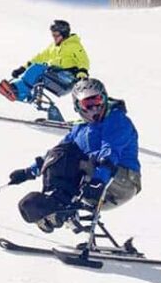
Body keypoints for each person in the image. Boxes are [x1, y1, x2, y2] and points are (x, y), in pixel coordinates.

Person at [8, 78, 141, 232]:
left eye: (97, 101)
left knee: (74, 156)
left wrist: (99, 180)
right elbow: (56, 155)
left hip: (120, 181)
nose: (94, 109)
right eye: (87, 104)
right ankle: (54, 205)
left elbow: (110, 152)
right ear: (78, 106)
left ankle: (59, 207)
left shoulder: (116, 120)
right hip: (94, 180)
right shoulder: (80, 128)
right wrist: (29, 172)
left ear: (104, 98)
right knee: (62, 152)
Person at [0, 19, 90, 108]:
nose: (54, 37)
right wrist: (23, 68)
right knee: (38, 68)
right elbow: (40, 57)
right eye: (53, 35)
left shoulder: (74, 45)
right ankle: (21, 91)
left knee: (39, 68)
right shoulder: (53, 47)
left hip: (69, 78)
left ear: (64, 34)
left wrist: (82, 73)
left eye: (57, 35)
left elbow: (83, 60)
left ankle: (18, 91)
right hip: (56, 75)